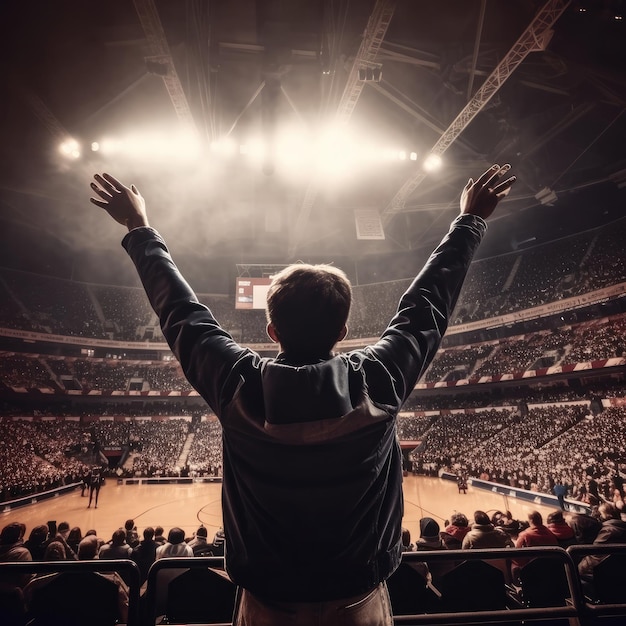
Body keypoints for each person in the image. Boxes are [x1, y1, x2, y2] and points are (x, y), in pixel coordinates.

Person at [90, 164, 515, 625]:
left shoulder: (236, 383)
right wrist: (469, 221)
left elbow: (180, 311)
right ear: (343, 330)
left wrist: (140, 227)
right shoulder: (378, 379)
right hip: (358, 599)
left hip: (268, 601)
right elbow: (426, 306)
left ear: (272, 330)